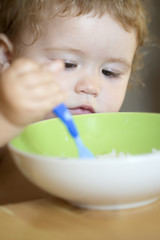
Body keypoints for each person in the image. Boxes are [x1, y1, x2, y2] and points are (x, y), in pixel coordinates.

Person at [0, 0, 150, 202]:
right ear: (7, 57)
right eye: (68, 64)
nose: (90, 86)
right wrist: (7, 117)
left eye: (110, 72)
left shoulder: (115, 148)